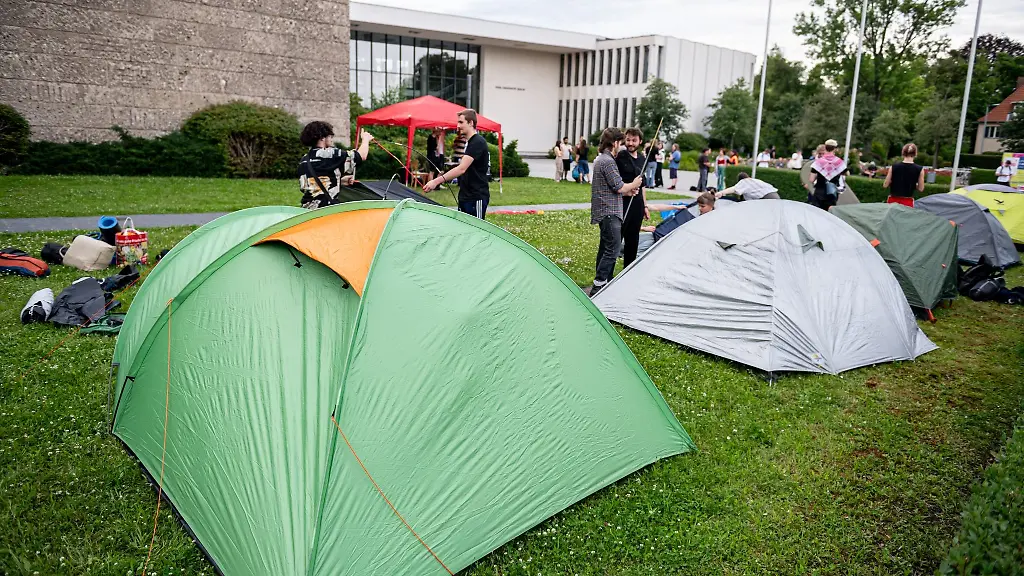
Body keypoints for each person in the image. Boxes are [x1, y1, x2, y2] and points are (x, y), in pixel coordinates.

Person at [590, 127, 643, 296]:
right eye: (621, 142)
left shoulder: (603, 159)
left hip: (607, 209)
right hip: (609, 212)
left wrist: (628, 191)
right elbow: (619, 186)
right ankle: (599, 286)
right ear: (615, 142)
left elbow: (612, 187)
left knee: (606, 247)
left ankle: (601, 283)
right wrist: (634, 185)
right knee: (613, 249)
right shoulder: (607, 161)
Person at [423, 109, 490, 219]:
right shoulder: (469, 142)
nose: (457, 126)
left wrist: (436, 181)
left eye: (461, 122)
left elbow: (461, 169)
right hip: (465, 196)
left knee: (474, 233)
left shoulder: (478, 142)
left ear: (471, 123)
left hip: (476, 197)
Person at [297, 121, 372, 210]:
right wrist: (365, 140)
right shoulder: (330, 153)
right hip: (325, 209)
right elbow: (361, 156)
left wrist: (339, 180)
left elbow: (314, 181)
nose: (332, 139)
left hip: (307, 210)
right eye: (330, 136)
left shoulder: (304, 159)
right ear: (322, 138)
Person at [617, 127, 650, 268]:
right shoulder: (621, 156)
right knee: (618, 236)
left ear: (640, 141)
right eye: (628, 140)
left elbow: (643, 186)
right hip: (622, 201)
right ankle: (606, 274)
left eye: (634, 140)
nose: (630, 143)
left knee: (633, 238)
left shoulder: (643, 159)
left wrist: (645, 206)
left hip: (637, 204)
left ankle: (628, 269)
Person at [807, 139, 848, 210]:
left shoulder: (818, 162)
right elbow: (847, 173)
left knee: (816, 213)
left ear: (825, 147)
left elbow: (811, 179)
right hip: (832, 193)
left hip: (819, 192)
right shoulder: (839, 162)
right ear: (835, 149)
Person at [883, 143, 925, 207]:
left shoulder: (894, 167)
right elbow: (921, 188)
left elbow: (885, 185)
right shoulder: (920, 169)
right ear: (915, 154)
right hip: (907, 202)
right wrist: (913, 185)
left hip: (893, 201)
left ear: (903, 153)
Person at [716, 172, 780, 201]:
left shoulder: (744, 181)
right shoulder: (754, 181)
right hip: (776, 196)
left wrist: (721, 193)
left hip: (768, 198)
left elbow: (733, 189)